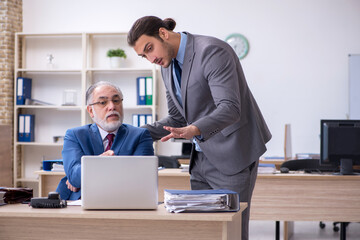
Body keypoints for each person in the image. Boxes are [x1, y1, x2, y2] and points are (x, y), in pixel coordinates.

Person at [128, 16, 271, 240]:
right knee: (205, 232)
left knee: (231, 233)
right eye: (143, 55)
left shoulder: (212, 51)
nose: (150, 58)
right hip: (201, 160)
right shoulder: (166, 65)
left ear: (163, 34)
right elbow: (176, 117)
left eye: (149, 48)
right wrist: (133, 134)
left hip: (232, 154)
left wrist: (194, 129)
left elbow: (231, 108)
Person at [56, 81, 154, 200]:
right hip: (80, 203)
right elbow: (75, 178)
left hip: (125, 201)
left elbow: (142, 179)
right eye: (103, 102)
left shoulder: (140, 135)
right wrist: (99, 162)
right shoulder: (75, 135)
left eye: (116, 101)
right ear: (91, 111)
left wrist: (88, 175)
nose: (112, 106)